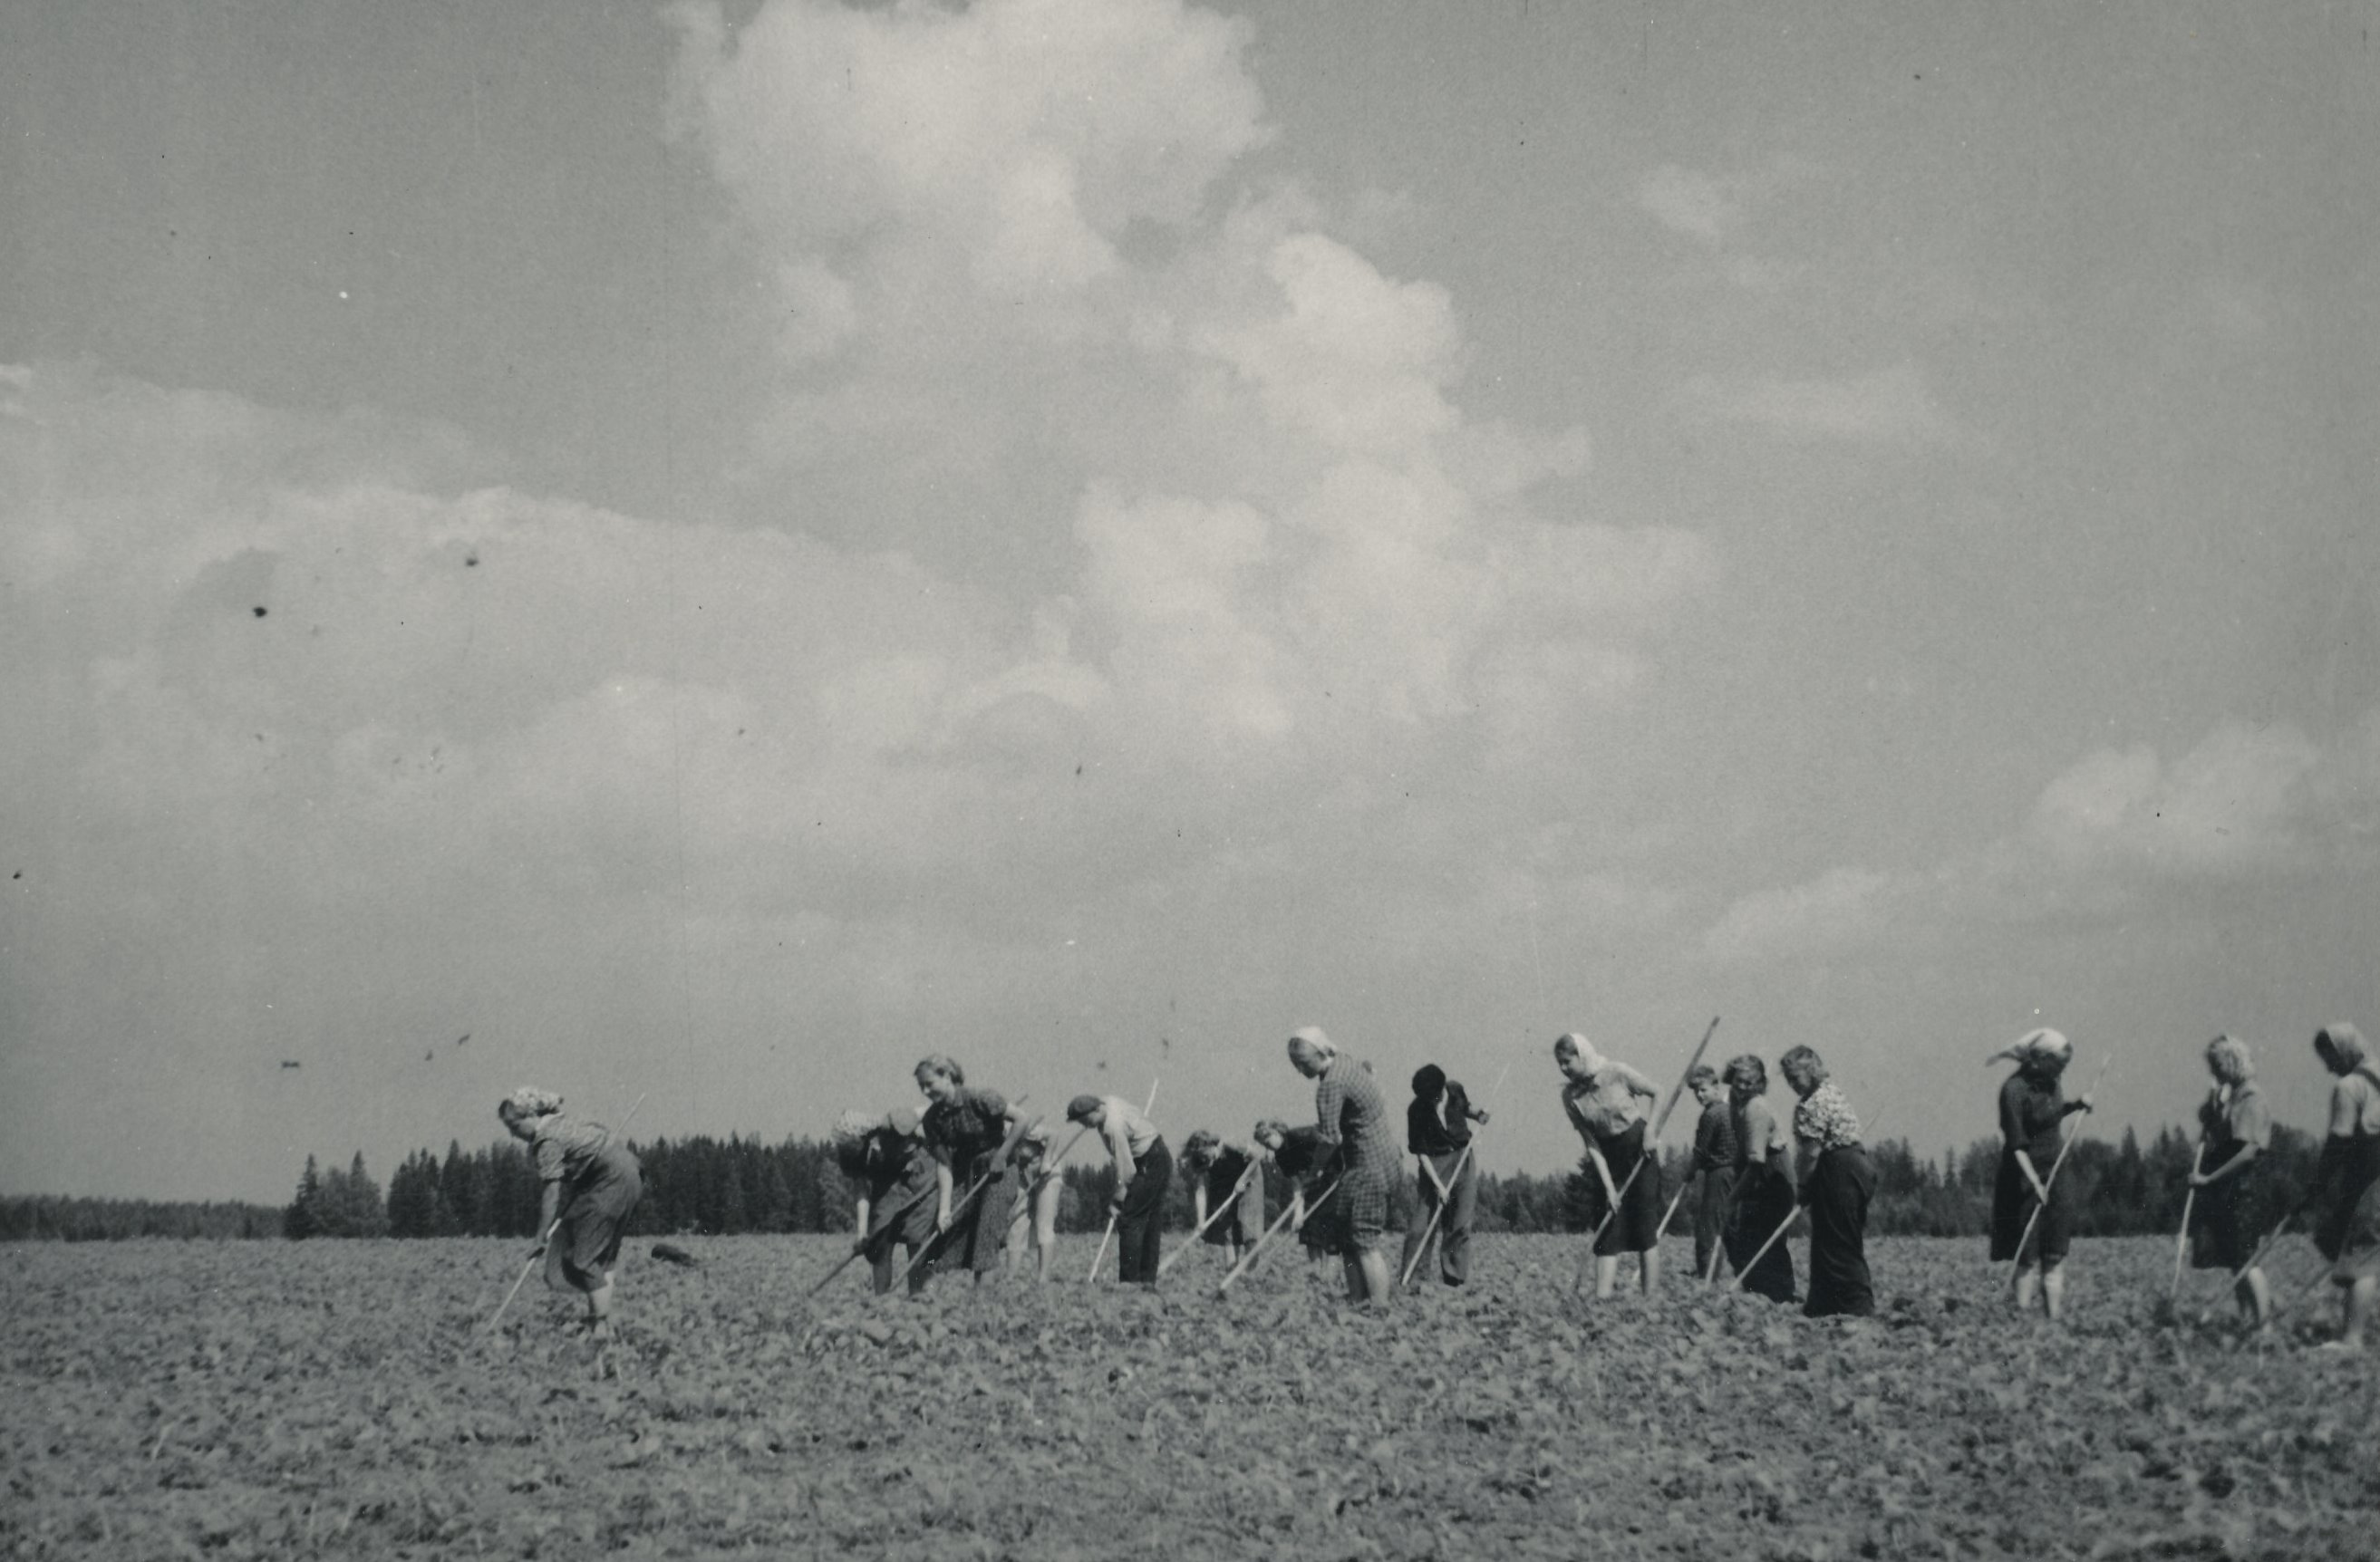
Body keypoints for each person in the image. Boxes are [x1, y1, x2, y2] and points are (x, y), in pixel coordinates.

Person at [498, 1087, 643, 1341]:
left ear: (530, 1116)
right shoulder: (565, 1122)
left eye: (514, 1125)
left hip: (610, 1181)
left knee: (581, 1258)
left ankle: (601, 1327)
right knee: (602, 1258)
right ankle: (599, 1322)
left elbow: (551, 1193)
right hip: (630, 1174)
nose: (512, 1134)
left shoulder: (547, 1141)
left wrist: (540, 1236)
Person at [1286, 1027, 1401, 1306]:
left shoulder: (1331, 1085)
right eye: (1296, 1066)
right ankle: (1358, 1301)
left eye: (1303, 1063)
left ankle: (1379, 1307)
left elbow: (1329, 1138)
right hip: (1378, 1161)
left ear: (1319, 1053)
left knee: (1363, 1241)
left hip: (1368, 1166)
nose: (1301, 1071)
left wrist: (1314, 1174)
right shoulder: (1347, 1063)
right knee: (1346, 1238)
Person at [1987, 1028, 2094, 1321]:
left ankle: (2053, 1321)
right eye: (2059, 1063)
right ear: (2040, 1059)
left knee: (2055, 1249)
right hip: (2023, 1177)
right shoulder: (2013, 1090)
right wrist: (2034, 1182)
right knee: (2027, 1253)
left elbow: (2052, 1116)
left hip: (2058, 1172)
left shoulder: (2053, 1084)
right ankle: (2022, 1322)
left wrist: (2076, 1105)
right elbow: (2016, 1144)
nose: (2062, 1070)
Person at [1553, 1032, 1664, 1297]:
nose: (1563, 1068)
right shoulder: (1570, 1096)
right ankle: (1602, 1302)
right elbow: (1591, 1143)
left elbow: (1657, 1092)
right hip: (1608, 1156)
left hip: (1639, 1148)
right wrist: (1608, 1186)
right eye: (1560, 1063)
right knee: (1608, 1227)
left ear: (1582, 1055)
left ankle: (1651, 1300)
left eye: (1567, 1061)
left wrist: (1651, 1134)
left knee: (1644, 1227)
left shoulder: (1616, 1072)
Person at [1780, 1046, 1874, 1319]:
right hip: (1850, 1167)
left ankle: (1858, 1310)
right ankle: (1821, 1307)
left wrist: (1801, 1188)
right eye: (1788, 1079)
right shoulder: (1830, 1092)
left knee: (1840, 1244)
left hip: (1840, 1170)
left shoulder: (1815, 1103)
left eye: (1796, 1078)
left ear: (1812, 1071)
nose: (1792, 1085)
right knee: (1825, 1241)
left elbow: (1810, 1153)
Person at [915, 1054, 1025, 1285]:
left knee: (987, 1234)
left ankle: (982, 1306)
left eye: (929, 1084)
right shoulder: (932, 1119)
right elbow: (944, 1164)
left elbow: (1021, 1119)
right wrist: (944, 1209)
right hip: (965, 1169)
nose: (925, 1091)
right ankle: (924, 1305)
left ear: (947, 1076)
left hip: (999, 1170)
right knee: (944, 1233)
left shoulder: (980, 1098)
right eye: (921, 1087)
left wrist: (1002, 1155)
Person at [2186, 1035, 2272, 1328]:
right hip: (2229, 1187)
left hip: (2244, 1187)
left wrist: (2209, 1179)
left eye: (2218, 1065)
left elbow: (2246, 1152)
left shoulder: (2251, 1098)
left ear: (2232, 1063)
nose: (2214, 1072)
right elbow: (2209, 1122)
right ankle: (2246, 1318)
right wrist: (2212, 1105)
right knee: (2236, 1257)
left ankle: (2264, 1324)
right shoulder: (2231, 1097)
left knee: (2246, 1259)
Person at [2306, 1023, 2380, 1350]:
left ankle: (2352, 1340)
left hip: (2370, 1181)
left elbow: (2340, 1138)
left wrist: (2319, 1182)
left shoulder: (2350, 1087)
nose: (2329, 1067)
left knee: (2360, 1260)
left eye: (2330, 1058)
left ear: (2344, 1051)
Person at [1068, 1093, 1172, 1285]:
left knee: (1130, 1219)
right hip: (1158, 1154)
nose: (1085, 1125)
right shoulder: (1109, 1101)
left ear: (1097, 1109)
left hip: (1149, 1162)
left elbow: (1127, 1172)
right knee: (1149, 1220)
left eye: (1085, 1120)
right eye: (1080, 1122)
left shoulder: (1112, 1128)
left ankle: (1129, 1282)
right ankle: (1147, 1281)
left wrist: (1117, 1200)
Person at [1400, 1064, 1487, 1287]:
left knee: (1460, 1223)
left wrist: (1478, 1115)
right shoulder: (1416, 1110)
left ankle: (1455, 1279)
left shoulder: (1455, 1090)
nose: (1430, 1102)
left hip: (1463, 1157)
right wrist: (1438, 1185)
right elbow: (1420, 1152)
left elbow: (1465, 1109)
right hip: (1435, 1163)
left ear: (1442, 1089)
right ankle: (1413, 1281)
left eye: (1433, 1097)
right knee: (1421, 1225)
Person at [835, 1106, 937, 1296]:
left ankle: (921, 1298)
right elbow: (862, 1190)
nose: (851, 1146)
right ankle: (881, 1300)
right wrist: (862, 1232)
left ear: (866, 1134)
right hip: (886, 1185)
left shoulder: (895, 1121)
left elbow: (928, 1111)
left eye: (854, 1142)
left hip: (920, 1178)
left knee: (918, 1242)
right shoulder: (849, 1152)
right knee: (879, 1242)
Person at [1721, 1054, 1797, 1303]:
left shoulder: (1756, 1108)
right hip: (1758, 1169)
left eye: (1749, 1082)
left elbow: (1756, 1161)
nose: (1743, 1088)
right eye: (1738, 1082)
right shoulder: (1736, 1103)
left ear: (1759, 1083)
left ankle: (1778, 1297)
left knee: (1766, 1236)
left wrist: (1732, 1198)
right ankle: (1758, 1293)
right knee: (1748, 1235)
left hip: (1771, 1172)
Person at [1179, 1129, 1266, 1270]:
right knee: (1226, 1226)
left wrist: (1242, 1181)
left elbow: (1257, 1157)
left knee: (1248, 1227)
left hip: (1250, 1177)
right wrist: (1201, 1222)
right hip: (1225, 1183)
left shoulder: (1232, 1144)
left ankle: (1250, 1273)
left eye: (1207, 1157)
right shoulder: (1199, 1159)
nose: (1208, 1164)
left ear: (1211, 1145)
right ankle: (1231, 1270)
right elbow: (1201, 1190)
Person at [1253, 1117, 1339, 1261]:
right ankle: (1316, 1271)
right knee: (1309, 1230)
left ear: (1277, 1132)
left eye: (1267, 1138)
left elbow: (1328, 1144)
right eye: (1263, 1144)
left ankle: (1329, 1274)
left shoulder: (1298, 1135)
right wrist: (1298, 1215)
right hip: (1311, 1184)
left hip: (1331, 1176)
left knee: (1327, 1228)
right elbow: (1296, 1184)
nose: (1267, 1145)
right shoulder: (1280, 1157)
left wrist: (1318, 1171)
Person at [1682, 1064, 1737, 1288]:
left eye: (1703, 1090)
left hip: (1719, 1172)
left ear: (1716, 1086)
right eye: (1696, 1091)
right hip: (1735, 1174)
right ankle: (1713, 1271)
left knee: (1708, 1226)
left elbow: (1700, 1151)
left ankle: (1707, 1275)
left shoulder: (1711, 1115)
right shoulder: (1730, 1110)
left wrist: (1690, 1172)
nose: (1699, 1095)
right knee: (1723, 1223)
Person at [1004, 1121, 1064, 1282]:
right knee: (1017, 1224)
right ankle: (1010, 1278)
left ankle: (1043, 1279)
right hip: (1024, 1174)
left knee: (1044, 1224)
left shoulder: (1020, 1127)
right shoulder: (996, 1136)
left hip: (1047, 1174)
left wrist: (1046, 1161)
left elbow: (1053, 1134)